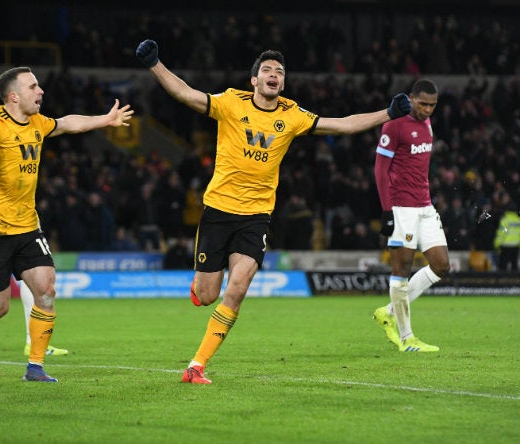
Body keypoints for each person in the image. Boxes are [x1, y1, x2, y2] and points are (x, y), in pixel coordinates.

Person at [135, 39, 412, 383]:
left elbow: (342, 124)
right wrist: (155, 64)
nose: (274, 75)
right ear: (254, 80)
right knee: (207, 295)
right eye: (267, 70)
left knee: (238, 287)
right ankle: (199, 288)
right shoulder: (230, 102)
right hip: (219, 209)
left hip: (257, 216)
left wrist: (388, 114)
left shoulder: (292, 114)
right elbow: (187, 94)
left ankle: (196, 366)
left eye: (279, 72)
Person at [0, 66, 133, 382]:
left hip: (28, 226)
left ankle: (35, 367)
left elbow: (66, 124)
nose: (41, 91)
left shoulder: (37, 122)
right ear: (14, 96)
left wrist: (104, 119)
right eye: (34, 87)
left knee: (46, 289)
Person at [372, 79, 448, 353]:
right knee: (400, 271)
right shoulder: (394, 125)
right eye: (423, 103)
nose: (428, 110)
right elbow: (381, 170)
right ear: (411, 98)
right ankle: (406, 338)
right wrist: (386, 210)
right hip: (401, 208)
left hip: (425, 206)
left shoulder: (427, 124)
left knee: (441, 265)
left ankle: (388, 311)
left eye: (433, 105)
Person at [494, 203, 520, 271]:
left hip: (505, 245)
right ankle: (515, 280)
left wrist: (496, 244)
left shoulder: (505, 220)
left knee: (503, 265)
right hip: (515, 245)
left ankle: (502, 280)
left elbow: (501, 233)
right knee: (514, 265)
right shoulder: (518, 220)